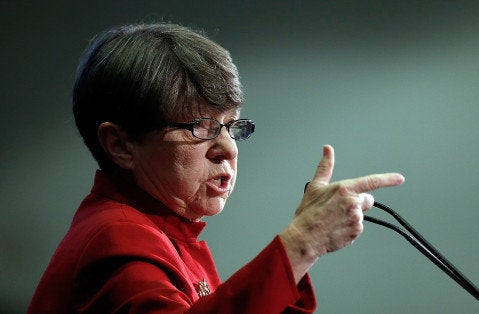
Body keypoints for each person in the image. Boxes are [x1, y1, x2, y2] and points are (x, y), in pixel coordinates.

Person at [28, 23, 404, 313]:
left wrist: (306, 251)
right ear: (120, 145)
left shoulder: (161, 231)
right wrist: (304, 242)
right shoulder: (115, 241)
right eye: (199, 127)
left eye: (231, 124)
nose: (227, 149)